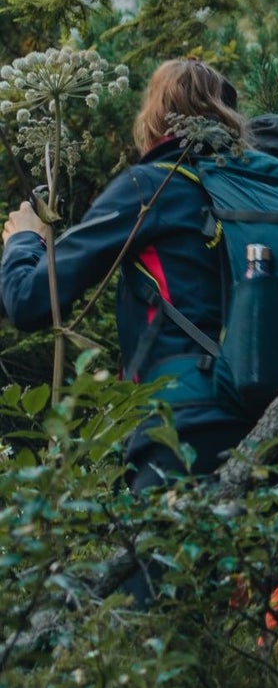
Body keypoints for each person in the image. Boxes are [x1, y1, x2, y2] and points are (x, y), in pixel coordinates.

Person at [1, 60, 254, 498]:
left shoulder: (151, 186)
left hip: (182, 418)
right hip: (270, 412)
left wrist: (25, 241)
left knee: (162, 562)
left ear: (155, 113)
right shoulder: (252, 188)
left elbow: (30, 301)